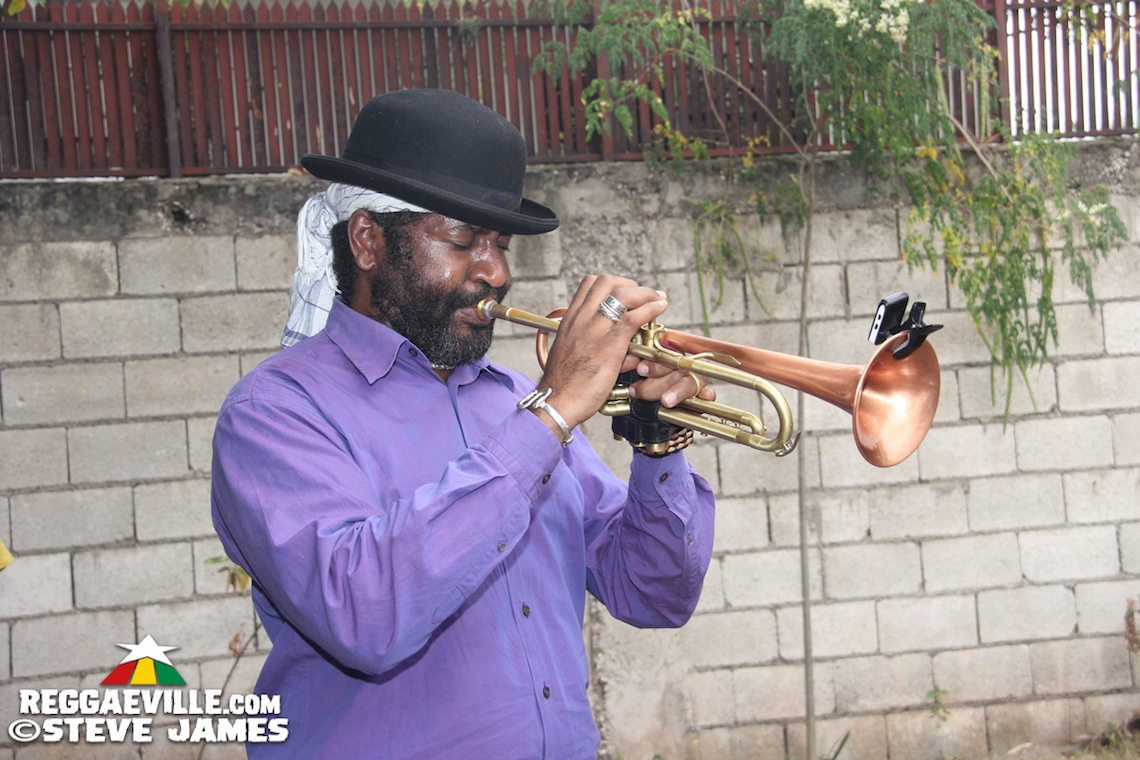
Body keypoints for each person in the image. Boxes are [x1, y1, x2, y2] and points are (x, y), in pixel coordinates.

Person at [211, 88, 717, 759]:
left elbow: (652, 592)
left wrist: (658, 443)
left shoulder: (515, 403)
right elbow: (365, 615)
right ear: (368, 240)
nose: (497, 272)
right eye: (462, 240)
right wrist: (555, 408)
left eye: (501, 244)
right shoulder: (276, 412)